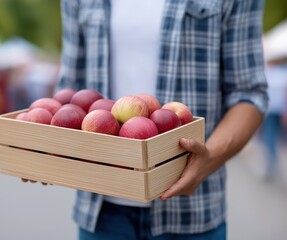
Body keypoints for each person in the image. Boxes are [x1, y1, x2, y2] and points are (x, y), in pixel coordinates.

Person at [55, 0, 269, 239]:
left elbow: (249, 93)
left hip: (192, 213)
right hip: (100, 209)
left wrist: (208, 159)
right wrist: (44, 148)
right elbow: (70, 90)